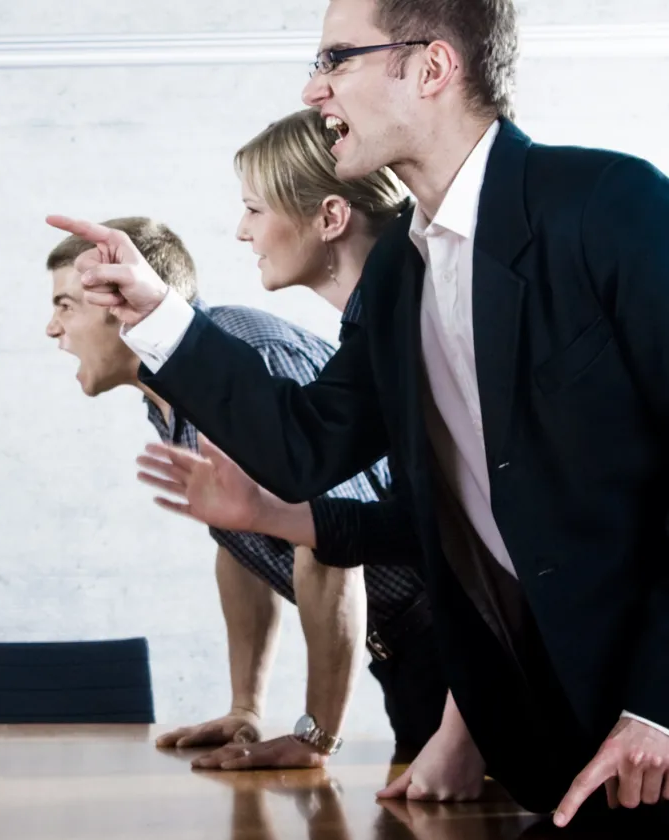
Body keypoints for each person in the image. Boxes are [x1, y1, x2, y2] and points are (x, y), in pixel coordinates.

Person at [49, 0, 669, 827]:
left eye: (337, 59)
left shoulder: (608, 203)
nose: (313, 90)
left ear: (433, 67)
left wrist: (659, 704)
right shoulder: (398, 280)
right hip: (553, 750)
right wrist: (161, 314)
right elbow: (307, 446)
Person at [135, 108, 468, 795]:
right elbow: (411, 523)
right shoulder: (375, 334)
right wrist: (268, 517)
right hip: (425, 667)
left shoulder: (415, 325)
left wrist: (319, 733)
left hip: (472, 669)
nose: (240, 230)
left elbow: (493, 545)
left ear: (331, 217)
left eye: (255, 208)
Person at [45, 215, 443, 773]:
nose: (51, 328)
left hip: (452, 646)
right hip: (399, 653)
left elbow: (328, 543)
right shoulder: (168, 394)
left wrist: (317, 738)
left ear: (115, 301)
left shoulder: (244, 351)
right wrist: (245, 708)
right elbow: (245, 540)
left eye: (65, 305)